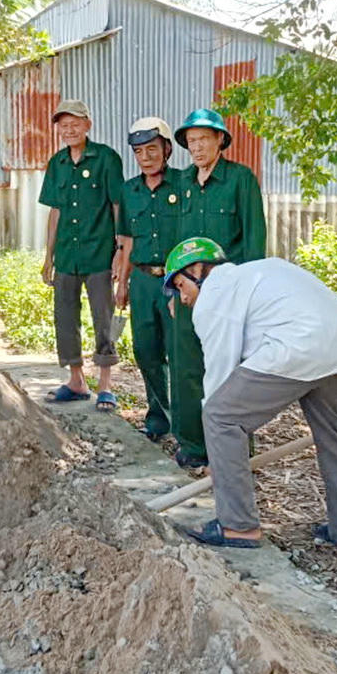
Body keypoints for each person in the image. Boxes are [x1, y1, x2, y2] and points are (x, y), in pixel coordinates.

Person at [162, 237, 337, 552]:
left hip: (299, 345)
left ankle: (238, 526)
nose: (182, 297)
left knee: (220, 416)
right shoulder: (257, 273)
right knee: (333, 436)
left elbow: (219, 375)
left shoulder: (214, 295)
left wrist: (217, 450)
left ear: (197, 269)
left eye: (180, 285)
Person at [169, 108, 267, 468]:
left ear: (220, 140)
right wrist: (172, 290)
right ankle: (193, 445)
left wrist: (250, 294)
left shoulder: (240, 180)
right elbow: (174, 242)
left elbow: (255, 240)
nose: (196, 147)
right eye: (191, 141)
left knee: (230, 372)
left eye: (203, 139)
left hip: (228, 292)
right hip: (187, 291)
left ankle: (234, 451)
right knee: (186, 366)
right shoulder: (181, 184)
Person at [38, 98, 125, 412]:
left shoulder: (106, 159)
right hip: (67, 255)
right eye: (63, 124)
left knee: (104, 317)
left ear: (88, 124)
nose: (69, 129)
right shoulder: (57, 163)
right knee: (65, 318)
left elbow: (118, 205)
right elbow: (55, 211)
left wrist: (119, 251)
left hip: (99, 253)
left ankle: (105, 385)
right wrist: (49, 257)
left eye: (75, 123)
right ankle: (76, 381)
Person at [114, 117, 182, 441]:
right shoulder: (129, 190)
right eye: (139, 151)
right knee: (146, 351)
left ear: (166, 149)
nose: (145, 157)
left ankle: (186, 426)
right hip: (141, 281)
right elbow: (126, 241)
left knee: (181, 353)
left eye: (151, 149)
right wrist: (122, 285)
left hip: (176, 281)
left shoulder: (184, 185)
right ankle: (158, 420)